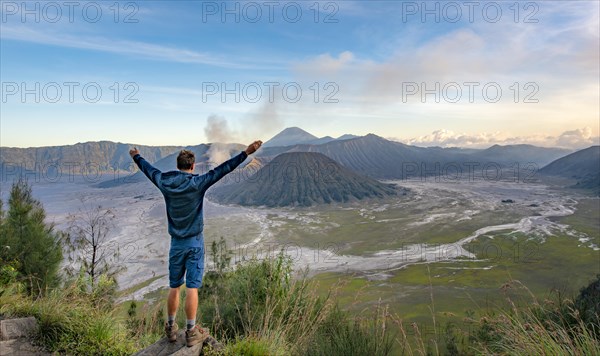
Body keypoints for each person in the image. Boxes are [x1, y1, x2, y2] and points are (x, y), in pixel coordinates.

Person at [129, 140, 262, 347]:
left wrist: (136, 156)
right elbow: (223, 170)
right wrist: (246, 152)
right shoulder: (197, 183)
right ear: (192, 166)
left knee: (174, 286)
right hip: (194, 243)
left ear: (177, 165)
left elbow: (148, 169)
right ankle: (191, 331)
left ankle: (171, 328)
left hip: (176, 243)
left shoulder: (164, 181)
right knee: (192, 287)